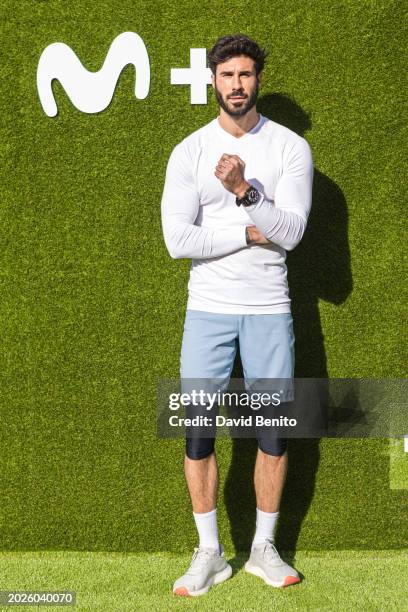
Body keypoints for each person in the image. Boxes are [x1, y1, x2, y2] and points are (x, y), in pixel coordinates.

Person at [161, 33, 313, 597]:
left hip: (269, 310)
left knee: (272, 436)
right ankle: (209, 552)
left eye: (246, 75)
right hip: (208, 312)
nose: (237, 86)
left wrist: (243, 190)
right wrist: (249, 230)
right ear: (213, 81)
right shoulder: (190, 151)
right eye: (227, 76)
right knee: (198, 435)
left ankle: (263, 549)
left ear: (258, 80)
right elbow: (178, 240)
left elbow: (292, 235)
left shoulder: (290, 148)